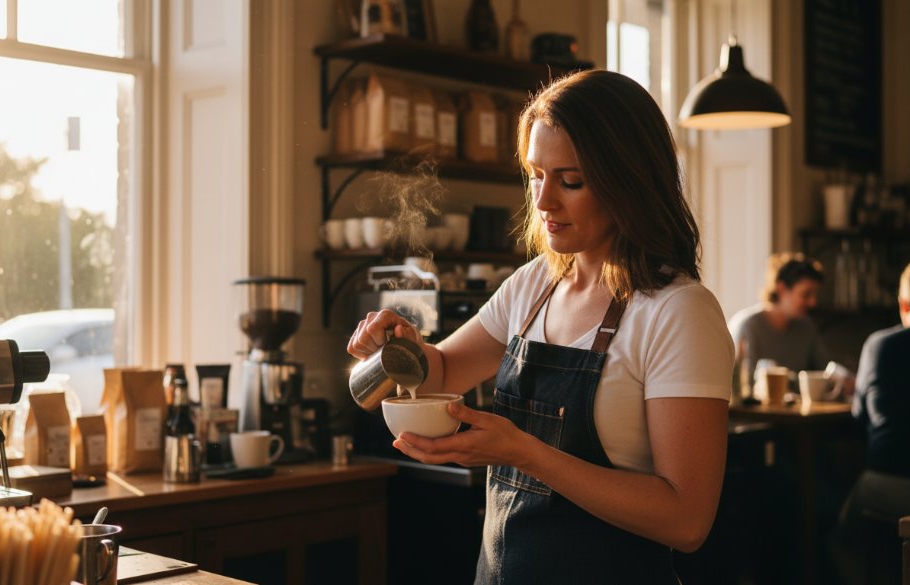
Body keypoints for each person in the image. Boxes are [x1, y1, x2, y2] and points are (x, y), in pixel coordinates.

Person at [347, 70, 734, 584]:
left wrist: (523, 453)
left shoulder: (677, 312)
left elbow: (686, 520)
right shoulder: (535, 286)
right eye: (536, 174)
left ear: (630, 181)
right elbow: (440, 374)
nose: (544, 201)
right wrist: (405, 347)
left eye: (570, 180)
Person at [832, 257, 910, 585]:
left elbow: (861, 419)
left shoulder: (879, 344)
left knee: (842, 542)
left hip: (887, 485)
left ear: (903, 304)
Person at [728, 252, 830, 380]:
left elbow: (825, 372)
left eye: (815, 295)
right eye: (806, 294)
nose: (813, 302)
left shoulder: (806, 327)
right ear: (781, 289)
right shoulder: (747, 327)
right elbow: (743, 384)